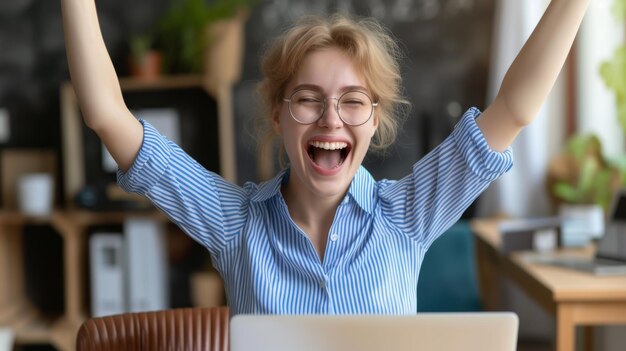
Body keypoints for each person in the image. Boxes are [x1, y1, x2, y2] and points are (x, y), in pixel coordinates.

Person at [61, 0, 591, 315]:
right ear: (278, 115)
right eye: (308, 98)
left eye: (353, 101)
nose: (331, 119)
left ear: (375, 121)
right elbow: (107, 114)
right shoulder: (234, 222)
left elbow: (516, 109)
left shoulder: (407, 214)